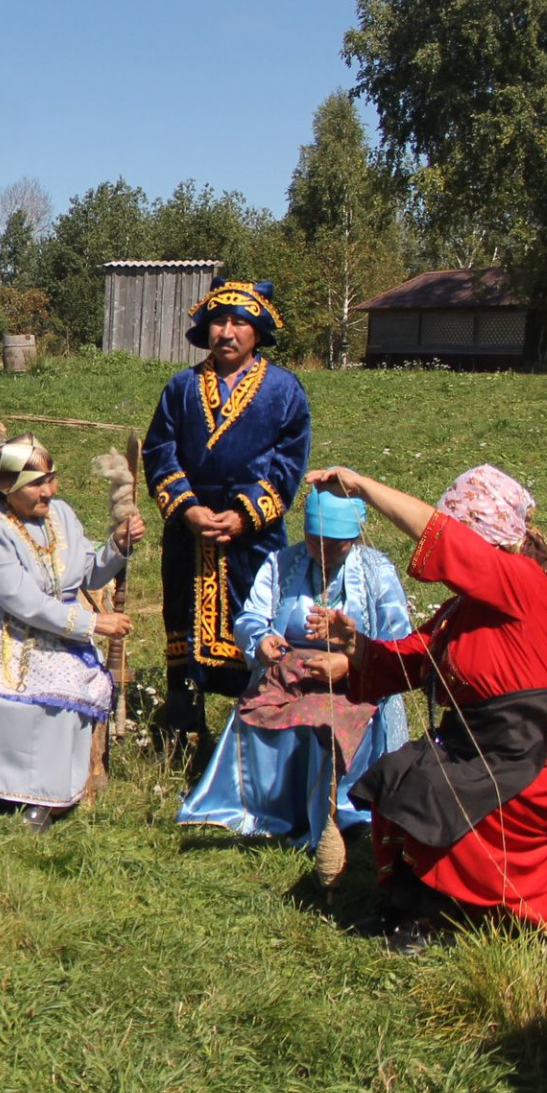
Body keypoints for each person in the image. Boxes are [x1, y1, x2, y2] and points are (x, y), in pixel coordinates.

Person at [305, 463, 547, 945]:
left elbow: (441, 537)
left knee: (433, 789)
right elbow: (415, 658)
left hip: (535, 754)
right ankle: (406, 908)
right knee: (399, 773)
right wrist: (354, 650)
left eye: (462, 529)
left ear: (484, 538)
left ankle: (445, 918)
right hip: (483, 743)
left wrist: (363, 487)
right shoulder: (462, 608)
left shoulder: (520, 581)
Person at [0, 434, 141, 829]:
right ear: (10, 489)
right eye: (37, 484)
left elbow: (90, 572)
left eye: (51, 479)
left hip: (60, 635)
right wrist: (94, 623)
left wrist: (117, 546)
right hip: (6, 629)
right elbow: (24, 603)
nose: (49, 490)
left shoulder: (62, 515)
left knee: (63, 696)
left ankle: (44, 799)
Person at [177, 487, 411, 849]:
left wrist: (349, 663)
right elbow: (252, 616)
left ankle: (340, 815)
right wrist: (261, 640)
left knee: (321, 725)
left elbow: (399, 641)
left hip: (357, 684)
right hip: (288, 678)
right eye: (314, 541)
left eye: (336, 545)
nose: (323, 552)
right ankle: (265, 809)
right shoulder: (282, 564)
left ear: (355, 537)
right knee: (256, 712)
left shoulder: (377, 573)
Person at [143, 279, 311, 775]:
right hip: (188, 537)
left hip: (252, 540)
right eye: (219, 321)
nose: (228, 331)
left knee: (256, 625)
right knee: (185, 623)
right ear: (205, 329)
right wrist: (189, 510)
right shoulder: (179, 388)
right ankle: (185, 733)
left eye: (240, 322)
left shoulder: (284, 391)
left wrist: (242, 516)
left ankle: (261, 737)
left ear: (257, 332)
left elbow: (288, 462)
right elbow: (159, 452)